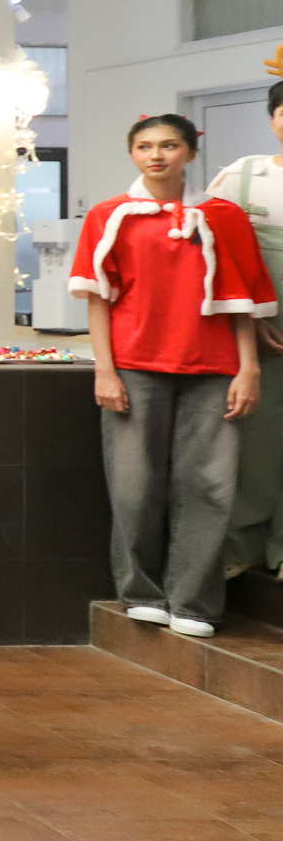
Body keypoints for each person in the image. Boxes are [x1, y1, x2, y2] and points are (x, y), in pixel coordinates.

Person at [76, 114, 274, 638]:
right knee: (134, 487)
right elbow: (98, 301)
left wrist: (248, 368)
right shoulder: (108, 216)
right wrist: (105, 371)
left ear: (190, 152)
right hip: (135, 368)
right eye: (144, 146)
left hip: (214, 371)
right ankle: (142, 593)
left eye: (168, 145)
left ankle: (195, 604)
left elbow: (242, 302)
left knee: (210, 489)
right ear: (132, 153)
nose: (156, 155)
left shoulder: (224, 216)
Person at [207, 81, 283, 582]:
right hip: (260, 323)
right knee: (257, 431)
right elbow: (214, 252)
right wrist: (252, 318)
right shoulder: (243, 176)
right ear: (272, 119)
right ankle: (245, 544)